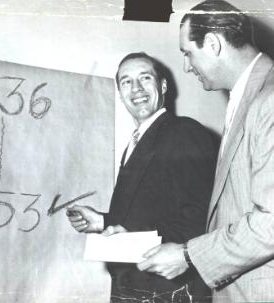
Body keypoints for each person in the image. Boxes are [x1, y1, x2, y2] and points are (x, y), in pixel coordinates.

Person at [137, 1, 274, 302]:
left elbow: (270, 224)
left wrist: (187, 255)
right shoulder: (248, 97)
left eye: (188, 52)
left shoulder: (270, 99)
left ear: (212, 44)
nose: (186, 65)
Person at [66, 52, 217, 302]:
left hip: (168, 291)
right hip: (137, 288)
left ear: (163, 86)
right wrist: (103, 222)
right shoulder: (138, 142)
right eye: (126, 81)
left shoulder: (184, 132)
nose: (136, 88)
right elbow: (153, 213)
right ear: (120, 93)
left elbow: (201, 219)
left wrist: (132, 240)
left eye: (145, 78)